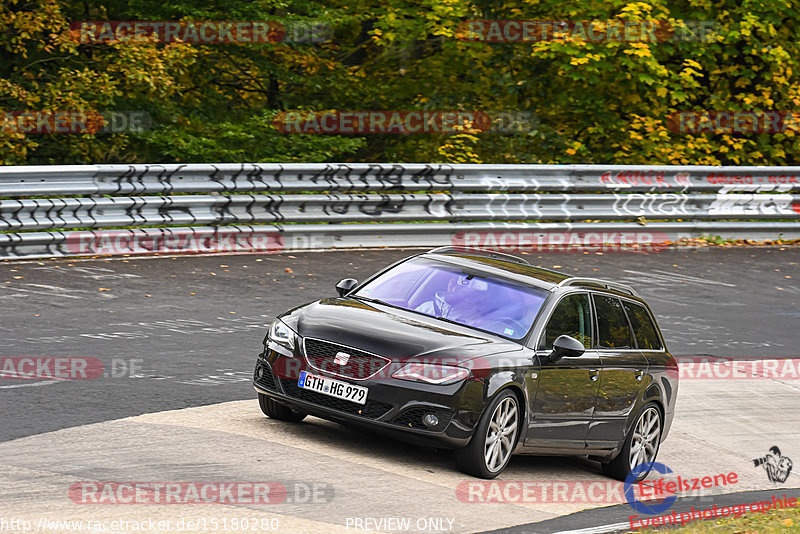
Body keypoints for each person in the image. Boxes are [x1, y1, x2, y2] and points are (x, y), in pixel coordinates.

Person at [415, 273, 485, 323]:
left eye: (461, 286)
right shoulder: (425, 307)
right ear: (448, 283)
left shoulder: (474, 318)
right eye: (453, 283)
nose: (454, 289)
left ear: (470, 291)